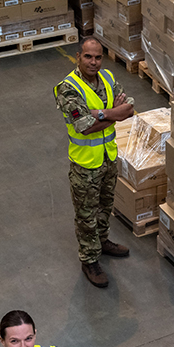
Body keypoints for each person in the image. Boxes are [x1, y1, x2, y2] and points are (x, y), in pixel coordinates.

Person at [55, 36, 135, 289]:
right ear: (78, 57)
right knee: (86, 214)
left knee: (105, 205)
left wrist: (99, 114)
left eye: (98, 57)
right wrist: (113, 113)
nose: (93, 62)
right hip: (85, 164)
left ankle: (102, 241)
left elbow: (129, 107)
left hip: (109, 158)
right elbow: (84, 126)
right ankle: (89, 259)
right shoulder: (67, 88)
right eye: (88, 56)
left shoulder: (109, 78)